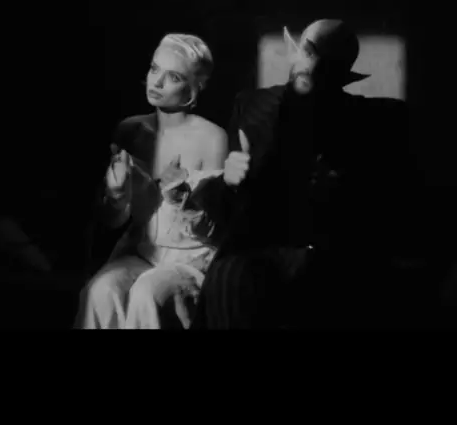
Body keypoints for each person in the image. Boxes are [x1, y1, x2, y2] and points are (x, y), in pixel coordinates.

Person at [191, 19, 416, 329]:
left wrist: (342, 189)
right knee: (231, 277)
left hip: (334, 252)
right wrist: (229, 181)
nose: (313, 65)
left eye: (329, 61)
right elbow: (223, 207)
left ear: (342, 72)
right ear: (293, 50)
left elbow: (394, 208)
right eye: (308, 51)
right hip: (258, 250)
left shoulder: (374, 121)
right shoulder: (254, 108)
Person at [79, 32, 228, 329]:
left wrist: (181, 198)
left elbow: (218, 230)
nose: (156, 82)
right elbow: (111, 222)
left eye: (173, 76)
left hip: (192, 259)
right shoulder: (131, 131)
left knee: (148, 294)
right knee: (100, 291)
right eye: (154, 69)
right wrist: (116, 194)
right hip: (144, 253)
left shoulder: (211, 138)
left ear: (195, 87)